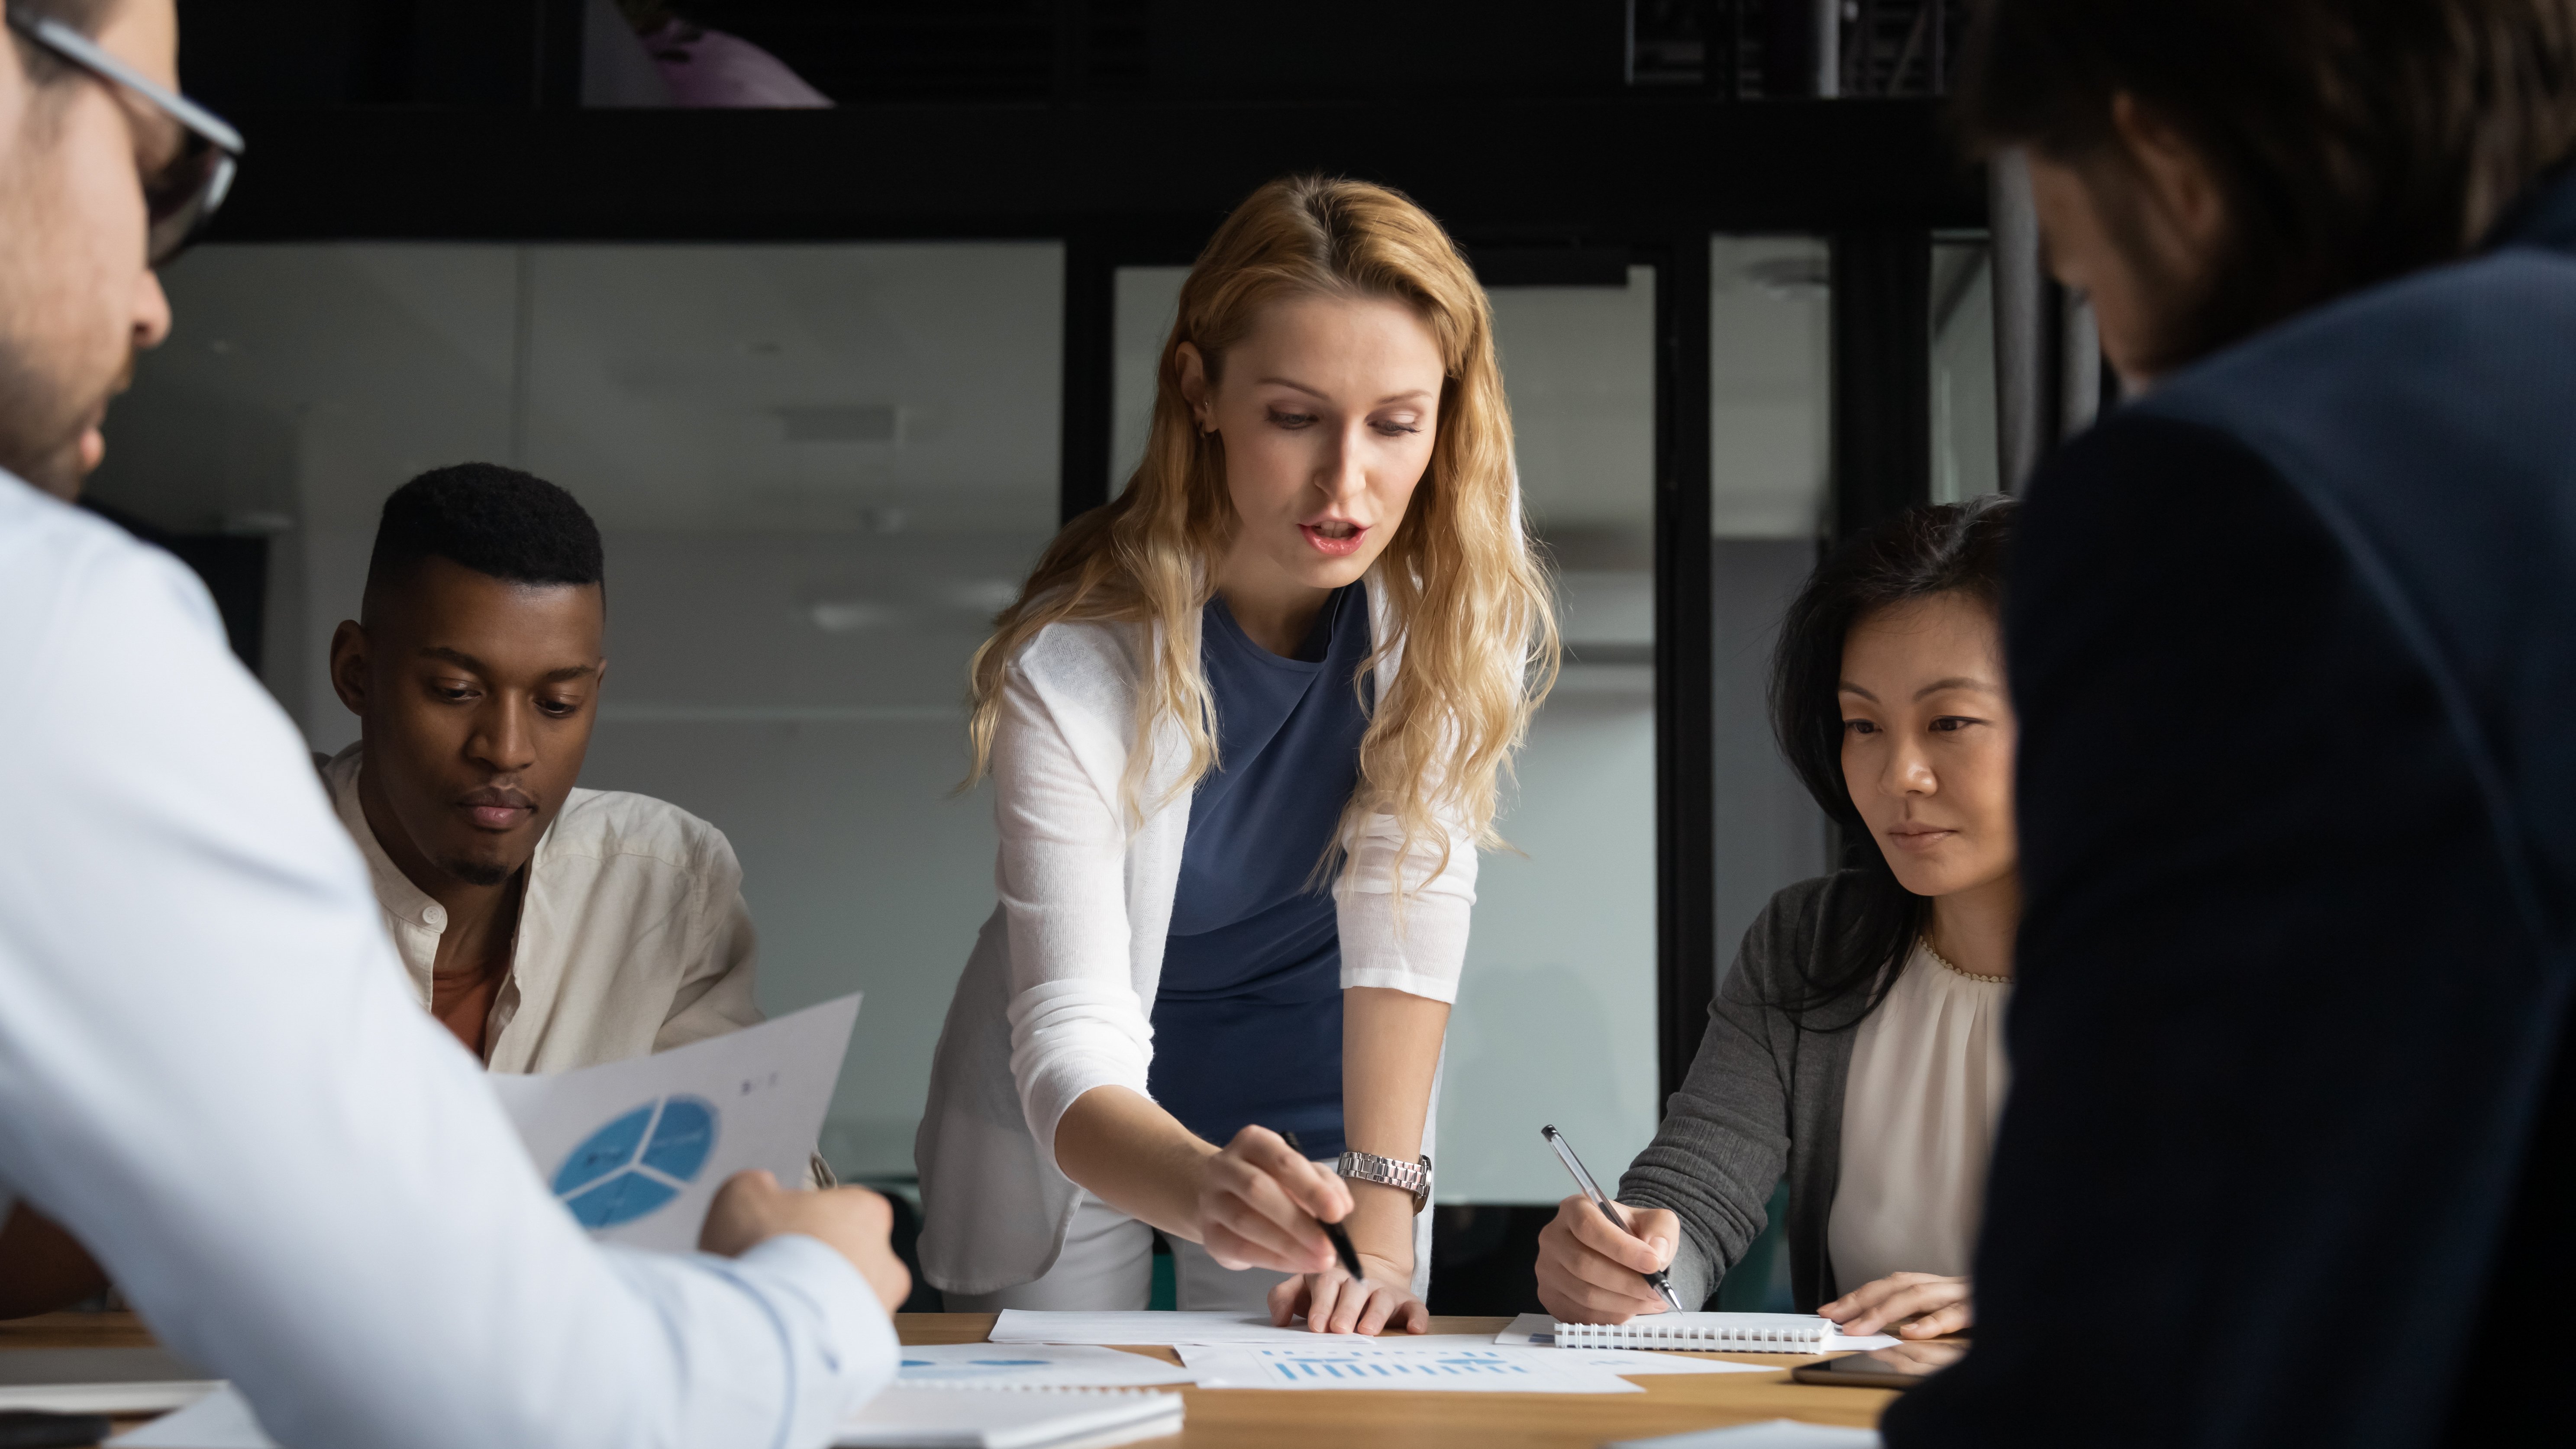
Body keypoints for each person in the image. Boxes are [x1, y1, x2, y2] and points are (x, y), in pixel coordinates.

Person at [0, 2, 907, 1443]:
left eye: (559, 698)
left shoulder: (667, 875)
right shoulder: (57, 642)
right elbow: (492, 1395)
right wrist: (815, 1294)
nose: (154, 299)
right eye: (157, 162)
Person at [1882, 3, 2576, 1445]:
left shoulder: (2262, 487)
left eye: (2077, 271)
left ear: (2167, 159)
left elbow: (2146, 1364)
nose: (2126, 351)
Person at [914, 175, 1557, 1335]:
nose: (1345, 483)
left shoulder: (1449, 624)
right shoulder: (1070, 670)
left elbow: (1407, 931)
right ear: (1198, 391)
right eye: (1294, 416)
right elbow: (1068, 1032)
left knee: (1322, 1404)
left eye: (1394, 424)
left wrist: (1382, 1223)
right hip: (1082, 1111)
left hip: (1320, 1101)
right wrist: (1201, 1183)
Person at [1532, 498, 2018, 1341]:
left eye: (1949, 723)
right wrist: (1627, 1267)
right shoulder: (1809, 941)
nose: (1897, 772)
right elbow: (1696, 1193)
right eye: (1862, 725)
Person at [320, 463, 765, 1071]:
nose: (506, 750)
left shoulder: (665, 882)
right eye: (455, 691)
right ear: (355, 673)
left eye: (557, 704)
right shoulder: (229, 867)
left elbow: (740, 1145)